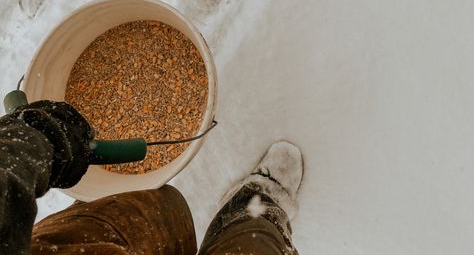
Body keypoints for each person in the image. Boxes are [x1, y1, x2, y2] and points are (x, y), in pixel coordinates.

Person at [0, 100, 303, 254]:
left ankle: (246, 214)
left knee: (161, 210)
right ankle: (257, 213)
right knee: (256, 246)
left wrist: (33, 138)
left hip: (70, 247)